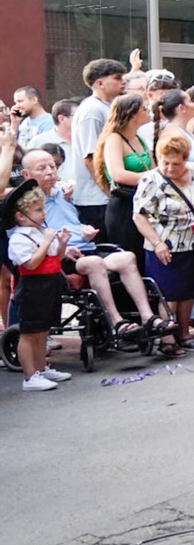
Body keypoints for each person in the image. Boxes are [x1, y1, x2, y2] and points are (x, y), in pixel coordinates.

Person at [20, 148, 161, 341]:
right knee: (94, 263)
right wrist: (60, 246)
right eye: (42, 168)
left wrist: (84, 230)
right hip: (60, 256)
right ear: (27, 174)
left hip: (86, 248)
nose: (50, 171)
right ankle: (115, 322)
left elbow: (73, 223)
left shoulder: (63, 193)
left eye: (52, 166)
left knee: (127, 257)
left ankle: (148, 317)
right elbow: (29, 237)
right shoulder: (29, 205)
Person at [131, 133, 194, 357]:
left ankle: (184, 334)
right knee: (168, 293)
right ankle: (166, 338)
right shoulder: (150, 180)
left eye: (176, 163)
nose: (170, 168)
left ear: (185, 158)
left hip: (193, 240)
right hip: (164, 243)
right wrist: (157, 242)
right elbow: (139, 216)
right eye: (165, 162)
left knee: (188, 291)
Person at [4, 181, 75, 391]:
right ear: (21, 216)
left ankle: (42, 368)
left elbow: (57, 258)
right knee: (30, 332)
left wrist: (61, 243)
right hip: (32, 287)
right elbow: (32, 263)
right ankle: (30, 376)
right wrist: (45, 242)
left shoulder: (40, 232)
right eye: (38, 210)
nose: (43, 213)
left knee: (43, 330)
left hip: (50, 284)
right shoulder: (19, 238)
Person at [92, 94, 154, 256]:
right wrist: (152, 177)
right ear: (132, 114)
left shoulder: (138, 138)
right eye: (143, 109)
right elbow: (118, 174)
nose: (148, 111)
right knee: (130, 252)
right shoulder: (114, 139)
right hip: (124, 205)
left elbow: (153, 167)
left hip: (143, 201)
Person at [70, 59, 127, 232]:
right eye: (117, 78)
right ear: (100, 83)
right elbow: (91, 158)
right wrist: (110, 193)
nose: (123, 82)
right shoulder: (92, 110)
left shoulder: (106, 107)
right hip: (96, 200)